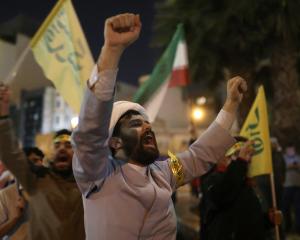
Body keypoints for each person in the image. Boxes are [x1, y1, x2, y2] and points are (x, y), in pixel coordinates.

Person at [72, 13, 247, 239]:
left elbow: (198, 156)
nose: (147, 128)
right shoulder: (97, 176)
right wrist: (112, 51)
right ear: (114, 141)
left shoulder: (165, 172)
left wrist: (231, 105)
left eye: (148, 123)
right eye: (136, 123)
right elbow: (90, 134)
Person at [0, 85, 85, 240]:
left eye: (68, 146)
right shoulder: (36, 179)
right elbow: (10, 153)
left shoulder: (87, 185)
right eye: (57, 145)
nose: (62, 149)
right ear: (50, 155)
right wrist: (2, 116)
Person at [199, 137, 282, 240]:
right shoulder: (212, 180)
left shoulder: (245, 182)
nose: (249, 160)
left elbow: (247, 220)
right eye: (243, 154)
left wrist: (268, 220)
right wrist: (240, 162)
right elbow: (222, 194)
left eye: (250, 155)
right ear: (225, 157)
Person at [282, 143, 300, 234]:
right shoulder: (283, 158)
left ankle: (298, 228)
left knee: (298, 208)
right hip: (286, 186)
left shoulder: (298, 157)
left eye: (292, 149)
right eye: (289, 149)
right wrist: (290, 166)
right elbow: (281, 167)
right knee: (285, 208)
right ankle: (287, 227)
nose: (290, 151)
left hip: (297, 186)